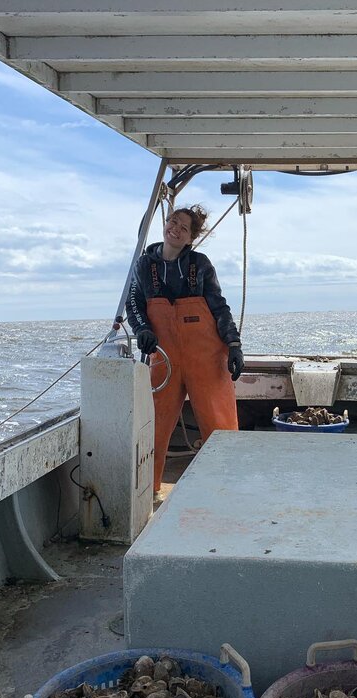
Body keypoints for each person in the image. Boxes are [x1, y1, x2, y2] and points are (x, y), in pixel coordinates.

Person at [126, 204, 244, 497]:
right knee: (152, 425)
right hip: (163, 357)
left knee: (220, 426)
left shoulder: (200, 264)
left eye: (183, 228)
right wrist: (142, 329)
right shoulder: (144, 265)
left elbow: (219, 306)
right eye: (172, 222)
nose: (175, 229)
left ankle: (227, 491)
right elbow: (134, 304)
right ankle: (147, 492)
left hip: (206, 355)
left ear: (191, 237)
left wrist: (233, 344)